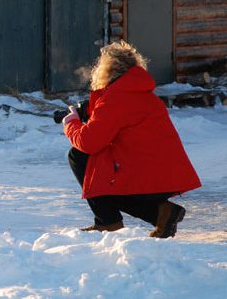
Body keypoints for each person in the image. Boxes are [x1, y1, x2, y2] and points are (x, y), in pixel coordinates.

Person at [62, 41, 201, 238]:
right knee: (105, 175)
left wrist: (71, 122)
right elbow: (122, 120)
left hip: (144, 178)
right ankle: (162, 214)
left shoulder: (116, 98)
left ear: (106, 71)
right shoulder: (142, 94)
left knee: (80, 156)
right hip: (163, 175)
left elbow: (89, 142)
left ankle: (108, 222)